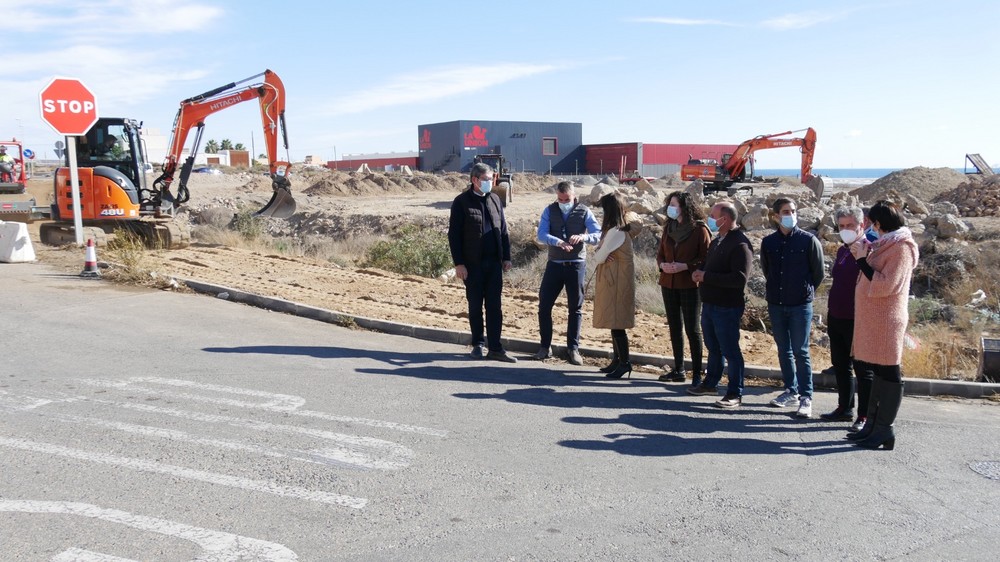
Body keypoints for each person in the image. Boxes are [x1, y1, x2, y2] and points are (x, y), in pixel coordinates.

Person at [846, 200, 919, 450]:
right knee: (878, 370)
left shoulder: (901, 248)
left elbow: (887, 286)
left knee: (889, 371)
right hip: (876, 319)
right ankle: (873, 426)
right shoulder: (886, 243)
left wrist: (861, 261)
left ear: (879, 223)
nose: (871, 228)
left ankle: (885, 429)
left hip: (887, 320)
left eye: (873, 224)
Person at [761, 198, 825, 418]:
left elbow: (818, 274)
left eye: (793, 211)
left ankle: (806, 396)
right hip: (777, 304)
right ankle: (791, 390)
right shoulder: (769, 242)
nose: (790, 214)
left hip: (800, 305)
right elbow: (767, 270)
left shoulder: (808, 241)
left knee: (801, 351)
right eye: (785, 211)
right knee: (784, 350)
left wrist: (803, 291)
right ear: (776, 216)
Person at [448, 162, 517, 363]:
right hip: (472, 265)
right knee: (475, 306)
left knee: (495, 307)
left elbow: (503, 230)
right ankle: (478, 344)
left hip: (494, 264)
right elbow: (454, 236)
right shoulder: (461, 202)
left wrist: (506, 258)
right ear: (475, 180)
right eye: (486, 180)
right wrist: (459, 263)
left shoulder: (495, 199)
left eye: (491, 179)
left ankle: (495, 347)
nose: (490, 183)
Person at [687, 201, 753, 408]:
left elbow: (739, 279)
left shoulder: (740, 244)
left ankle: (735, 392)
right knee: (713, 347)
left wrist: (706, 276)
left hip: (727, 306)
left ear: (725, 219)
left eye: (713, 215)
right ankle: (710, 382)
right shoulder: (718, 241)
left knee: (730, 350)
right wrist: (699, 273)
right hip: (710, 303)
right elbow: (708, 267)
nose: (710, 218)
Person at [820, 206, 875, 430]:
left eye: (850, 225)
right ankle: (845, 407)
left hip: (858, 319)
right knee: (840, 365)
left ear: (862, 225)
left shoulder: (869, 251)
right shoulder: (843, 250)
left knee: (863, 370)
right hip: (837, 316)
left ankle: (864, 416)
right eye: (841, 226)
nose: (845, 230)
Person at [534, 181, 602, 364]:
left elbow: (597, 234)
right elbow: (541, 234)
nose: (563, 202)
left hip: (576, 265)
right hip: (555, 264)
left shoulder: (584, 211)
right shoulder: (549, 210)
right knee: (544, 305)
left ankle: (573, 348)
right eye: (560, 199)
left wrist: (583, 237)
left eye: (567, 199)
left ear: (574, 196)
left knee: (575, 308)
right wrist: (558, 242)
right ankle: (544, 346)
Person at [656, 191, 711, 385]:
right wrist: (663, 265)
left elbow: (706, 258)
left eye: (675, 204)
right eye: (670, 204)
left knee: (692, 329)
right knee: (674, 327)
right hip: (668, 283)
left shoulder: (699, 230)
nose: (671, 207)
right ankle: (678, 369)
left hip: (689, 285)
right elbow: (660, 254)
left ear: (685, 207)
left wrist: (685, 266)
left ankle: (697, 374)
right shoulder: (668, 227)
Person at [593, 192, 642, 379]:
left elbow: (599, 257)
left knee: (617, 322)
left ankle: (624, 362)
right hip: (618, 279)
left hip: (616, 281)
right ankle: (617, 360)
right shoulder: (620, 229)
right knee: (615, 321)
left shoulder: (615, 232)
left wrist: (599, 252)